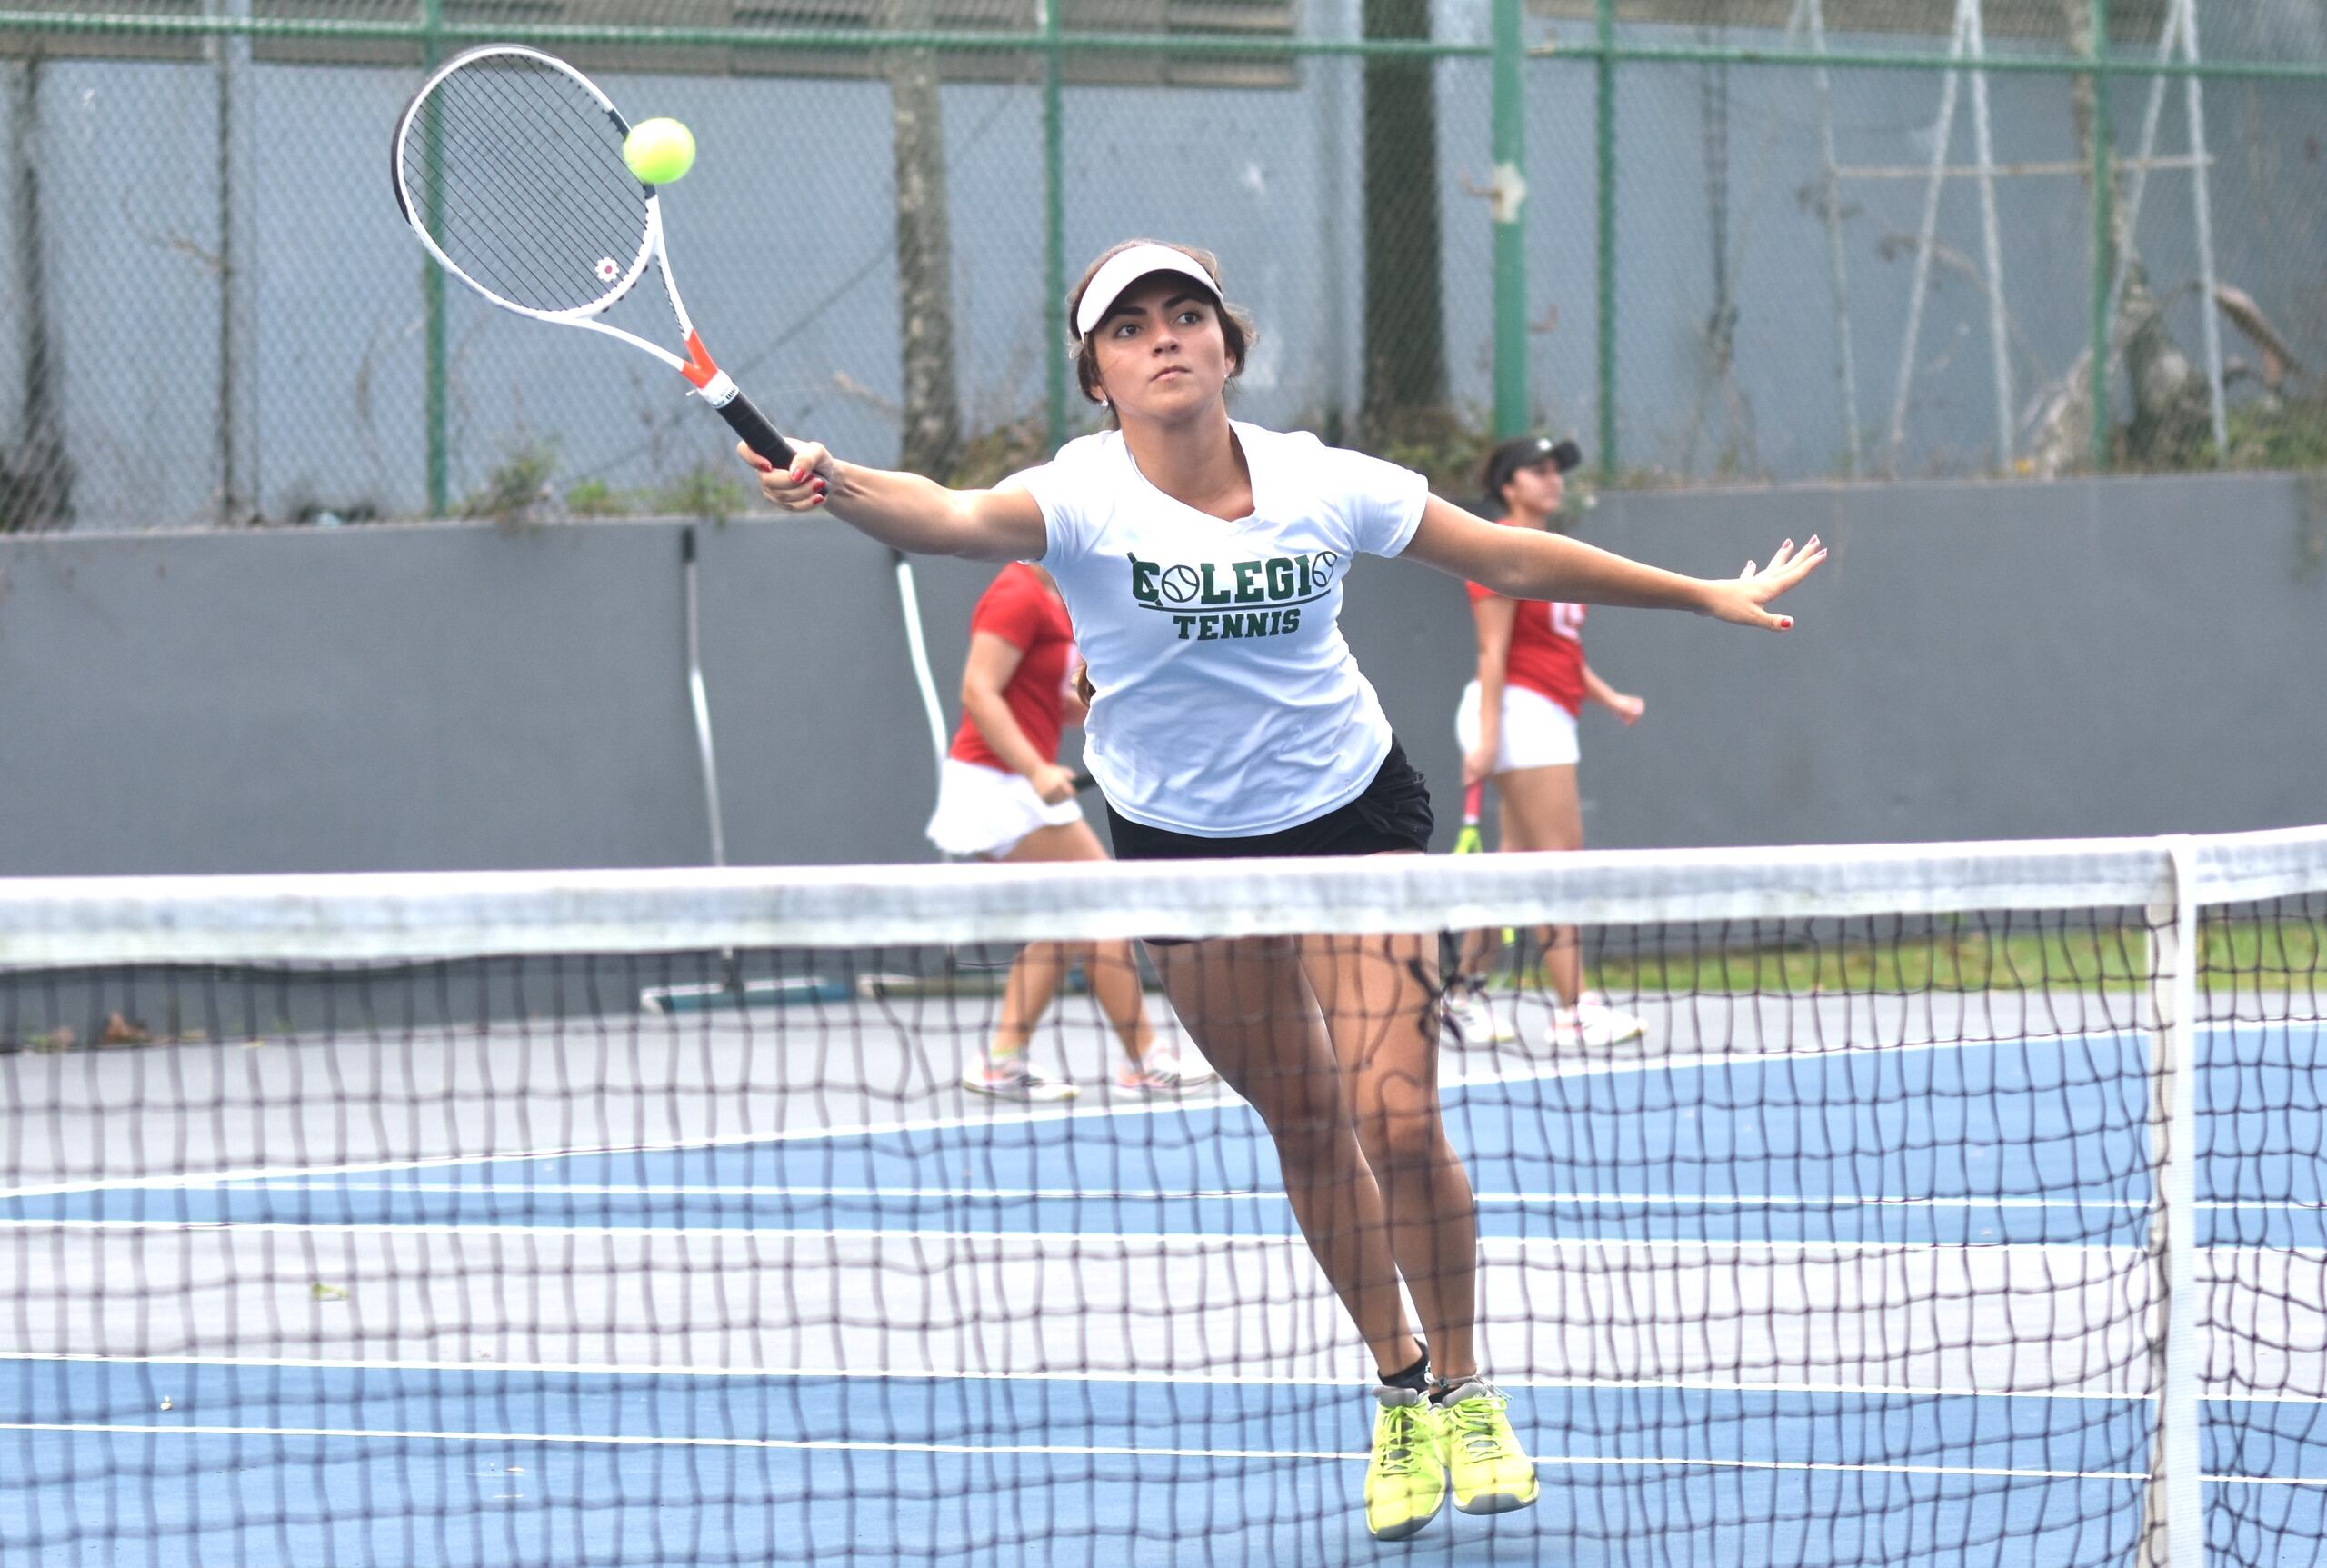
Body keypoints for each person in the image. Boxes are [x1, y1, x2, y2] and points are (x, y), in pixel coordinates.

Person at [736, 238, 1823, 1543]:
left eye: (1185, 314)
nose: (1164, 337)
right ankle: (1401, 1391)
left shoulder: (1322, 482)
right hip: (1183, 851)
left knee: (1400, 1120)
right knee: (1309, 1130)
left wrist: (1704, 594)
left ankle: (1472, 1388)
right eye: (1129, 327)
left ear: (1230, 346)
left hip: (1352, 820)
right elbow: (950, 517)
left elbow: (1511, 557)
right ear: (1099, 377)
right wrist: (835, 478)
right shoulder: (1077, 498)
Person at [929, 560, 1214, 1100]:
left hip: (1012, 784)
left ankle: (1003, 1060)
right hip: (994, 784)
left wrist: (1126, 712)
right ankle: (1145, 1060)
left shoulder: (1059, 602)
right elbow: (979, 691)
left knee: (1070, 919)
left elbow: (1047, 700)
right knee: (1102, 900)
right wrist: (1037, 770)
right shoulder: (1017, 594)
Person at [1444, 435, 1648, 1051]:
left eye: (1556, 469)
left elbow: (1559, 649)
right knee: (1558, 863)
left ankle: (1459, 994)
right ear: (1509, 486)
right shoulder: (1498, 550)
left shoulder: (1553, 553)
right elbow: (1493, 649)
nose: (1552, 477)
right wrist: (1486, 736)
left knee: (1514, 869)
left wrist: (1608, 697)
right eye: (1537, 470)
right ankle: (1574, 1010)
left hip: (1544, 712)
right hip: (1517, 715)